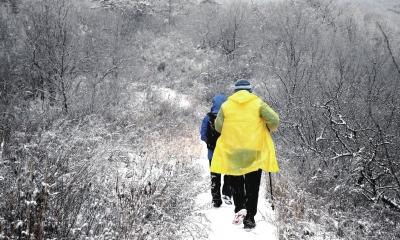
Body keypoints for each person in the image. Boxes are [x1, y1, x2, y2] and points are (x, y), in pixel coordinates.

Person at [210, 79, 280, 229]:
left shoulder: (226, 105)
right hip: (254, 150)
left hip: (233, 150)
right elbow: (274, 119)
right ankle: (250, 218)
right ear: (250, 91)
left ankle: (240, 207)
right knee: (252, 186)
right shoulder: (258, 103)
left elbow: (218, 127)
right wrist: (268, 127)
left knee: (236, 182)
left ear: (235, 91)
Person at [200, 94, 233, 208]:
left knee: (215, 176)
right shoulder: (229, 117)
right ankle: (227, 194)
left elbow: (203, 135)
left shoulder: (208, 118)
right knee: (229, 173)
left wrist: (210, 144)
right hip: (227, 152)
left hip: (212, 153)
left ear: (213, 103)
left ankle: (216, 199)